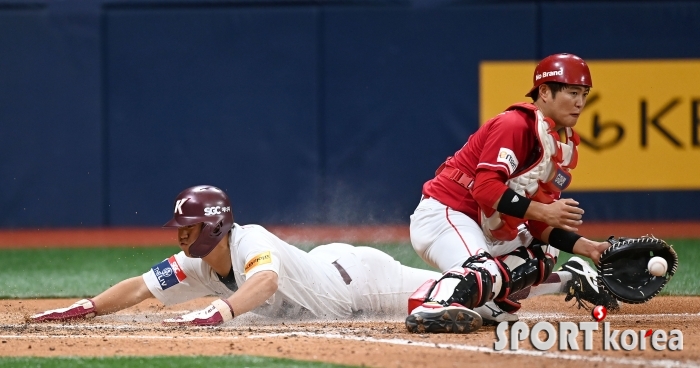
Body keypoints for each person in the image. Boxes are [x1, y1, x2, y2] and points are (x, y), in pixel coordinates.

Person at [405, 53, 619, 334]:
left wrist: (590, 248)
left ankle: (485, 299)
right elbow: (485, 189)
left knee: (544, 251)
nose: (580, 102)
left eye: (584, 93)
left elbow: (540, 224)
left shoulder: (556, 145)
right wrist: (543, 211)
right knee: (486, 269)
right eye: (572, 92)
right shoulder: (514, 125)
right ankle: (434, 303)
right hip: (446, 214)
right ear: (544, 91)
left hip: (483, 226)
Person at [30, 185, 441, 325]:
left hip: (360, 284)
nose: (180, 237)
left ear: (211, 226)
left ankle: (500, 273)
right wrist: (88, 307)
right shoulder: (198, 262)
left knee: (454, 294)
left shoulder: (251, 240)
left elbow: (266, 281)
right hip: (325, 270)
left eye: (187, 229)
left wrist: (219, 312)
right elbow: (141, 287)